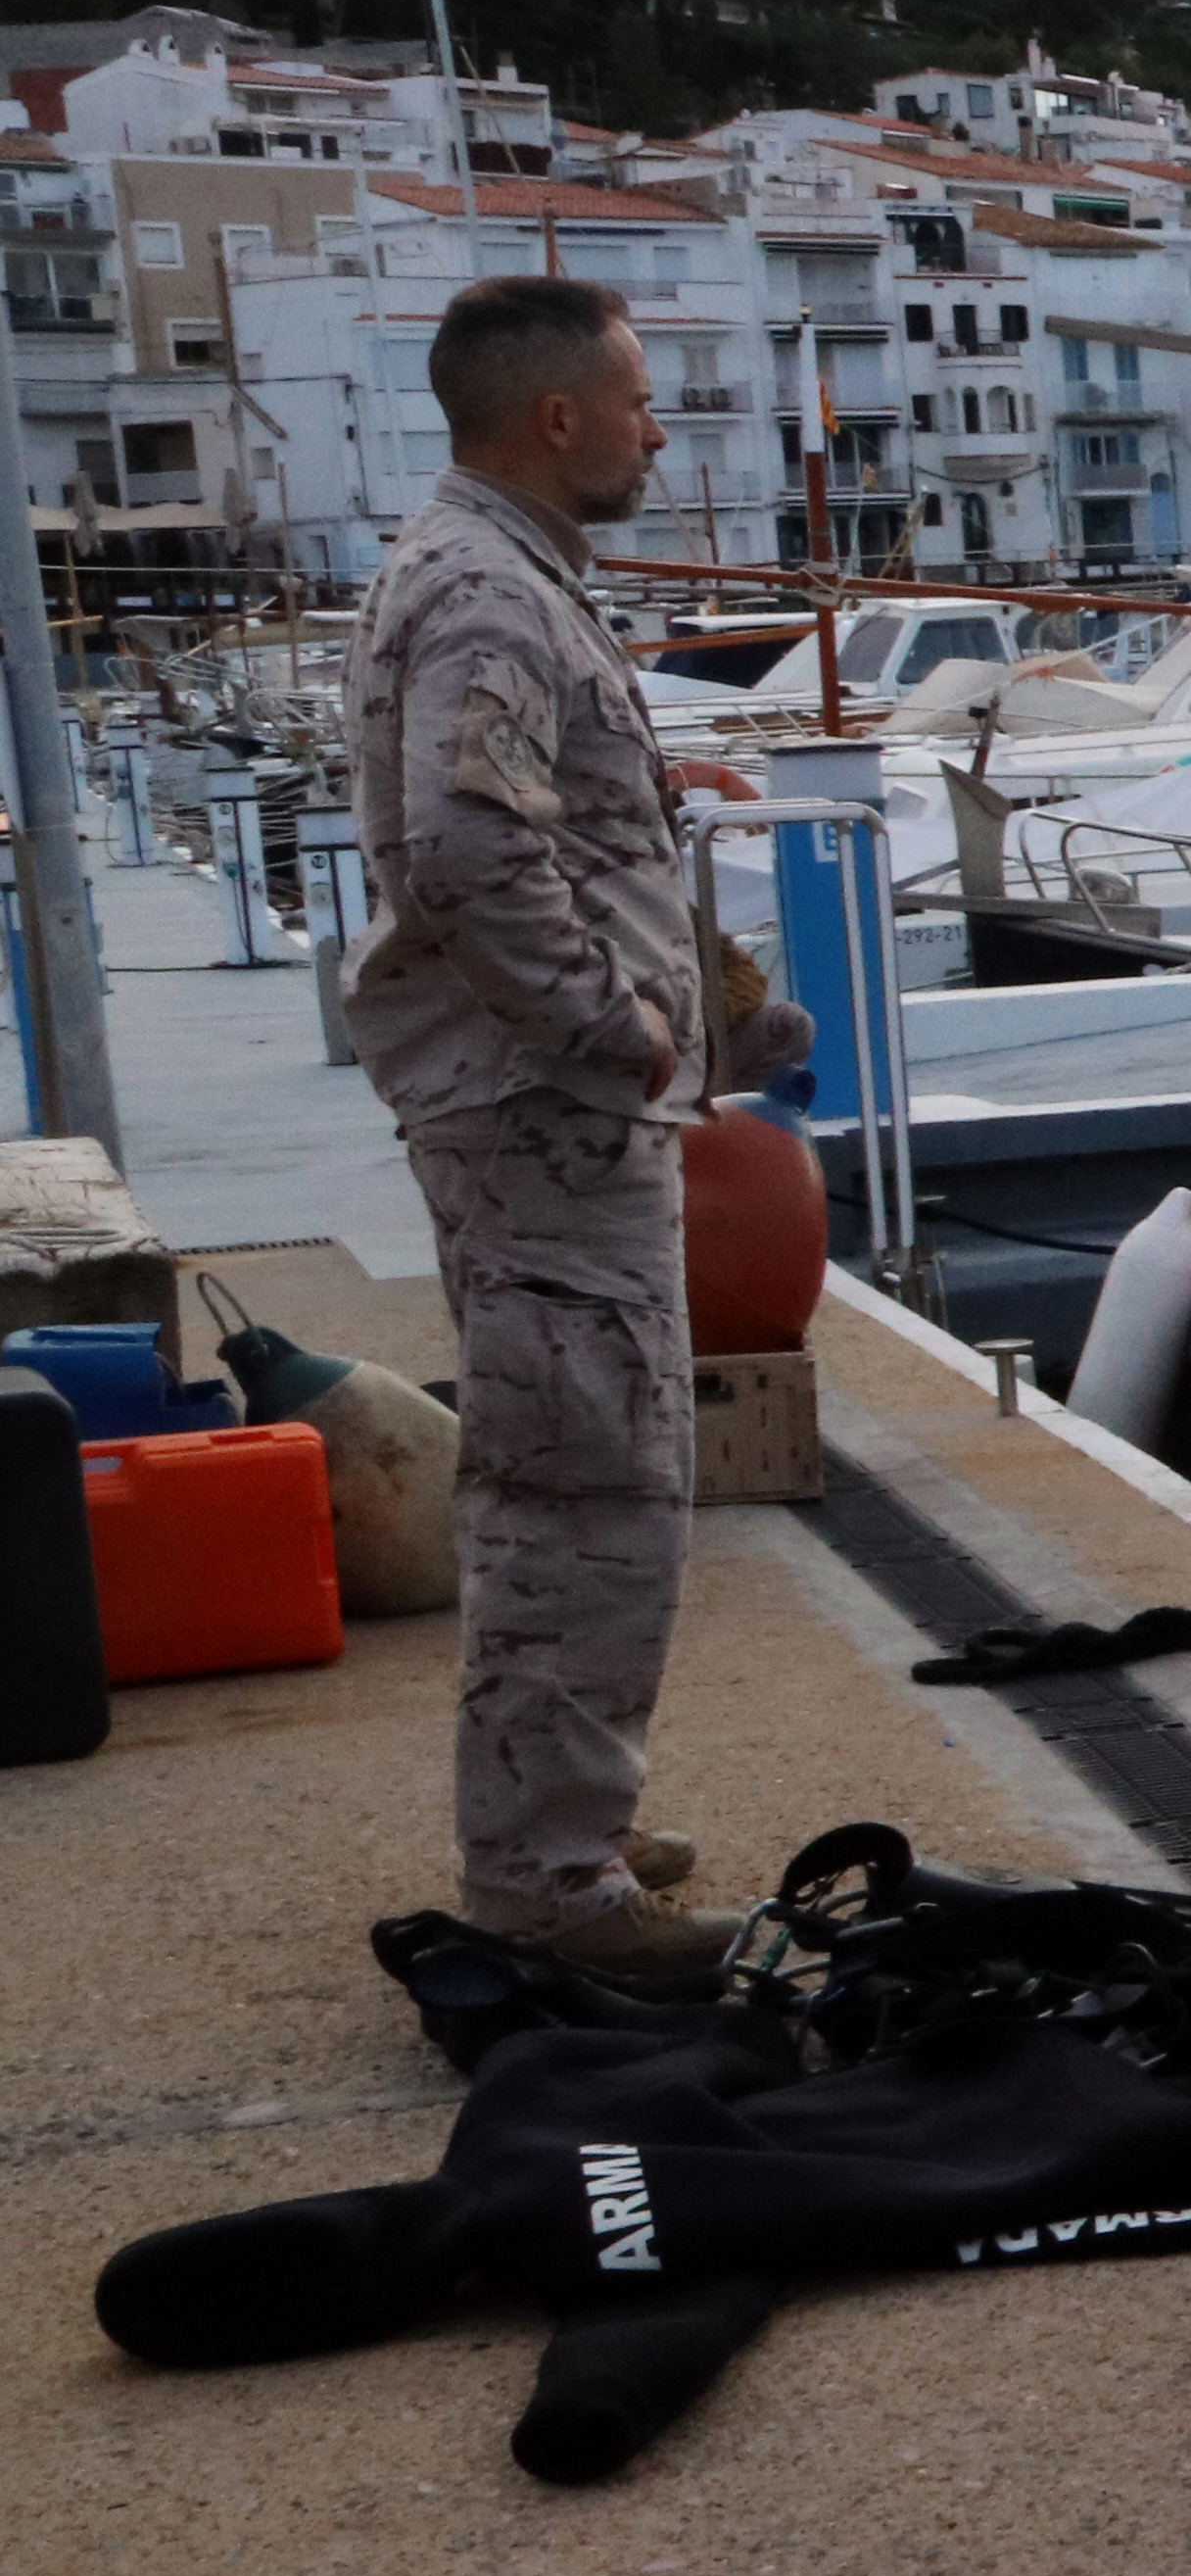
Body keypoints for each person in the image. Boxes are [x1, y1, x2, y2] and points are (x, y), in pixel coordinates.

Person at [348, 274, 811, 1985]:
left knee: (592, 1464)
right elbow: (467, 853)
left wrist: (710, 1011)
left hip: (543, 1110)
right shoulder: (486, 592)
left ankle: (567, 1819)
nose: (652, 427)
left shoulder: (502, 571)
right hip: (541, 1116)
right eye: (633, 399)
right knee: (583, 1484)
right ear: (555, 419)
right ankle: (550, 1884)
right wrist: (617, 1038)